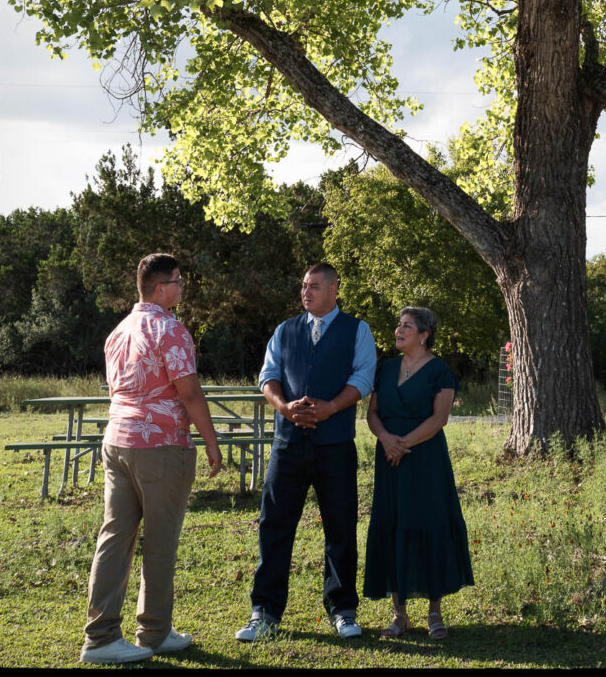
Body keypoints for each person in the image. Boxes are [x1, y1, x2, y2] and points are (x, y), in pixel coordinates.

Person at [80, 253, 222, 665]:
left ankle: (101, 636)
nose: (182, 288)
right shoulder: (170, 329)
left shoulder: (118, 331)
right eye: (178, 281)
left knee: (114, 539)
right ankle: (154, 633)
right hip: (160, 447)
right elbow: (190, 392)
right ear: (161, 288)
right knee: (160, 543)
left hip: (117, 442)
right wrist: (210, 442)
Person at [236, 263, 377, 643]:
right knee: (275, 526)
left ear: (334, 289)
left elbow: (364, 376)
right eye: (303, 286)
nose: (306, 292)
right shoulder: (285, 330)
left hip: (335, 446)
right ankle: (264, 612)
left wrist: (331, 407)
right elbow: (268, 376)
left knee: (341, 528)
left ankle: (343, 609)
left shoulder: (358, 330)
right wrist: (284, 408)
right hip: (288, 445)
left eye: (314, 286)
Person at [363, 306, 473, 640]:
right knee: (393, 525)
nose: (399, 330)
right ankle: (399, 615)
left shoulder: (439, 370)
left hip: (424, 460)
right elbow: (372, 413)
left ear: (424, 335)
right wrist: (386, 440)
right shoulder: (386, 368)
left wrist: (403, 444)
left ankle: (435, 613)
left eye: (407, 326)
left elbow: (440, 418)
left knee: (429, 525)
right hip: (389, 458)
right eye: (398, 325)